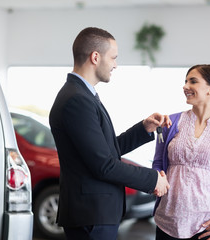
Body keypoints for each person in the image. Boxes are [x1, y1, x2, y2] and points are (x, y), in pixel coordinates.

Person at [49, 27, 171, 240]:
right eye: (113, 58)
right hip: (90, 215)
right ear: (95, 57)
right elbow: (104, 165)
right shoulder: (77, 100)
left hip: (94, 214)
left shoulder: (83, 95)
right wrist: (152, 180)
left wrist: (143, 128)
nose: (115, 64)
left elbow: (104, 150)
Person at [152, 64, 210, 240]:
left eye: (192, 81)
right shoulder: (170, 123)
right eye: (185, 81)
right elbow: (157, 164)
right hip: (167, 222)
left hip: (207, 226)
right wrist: (157, 179)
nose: (185, 86)